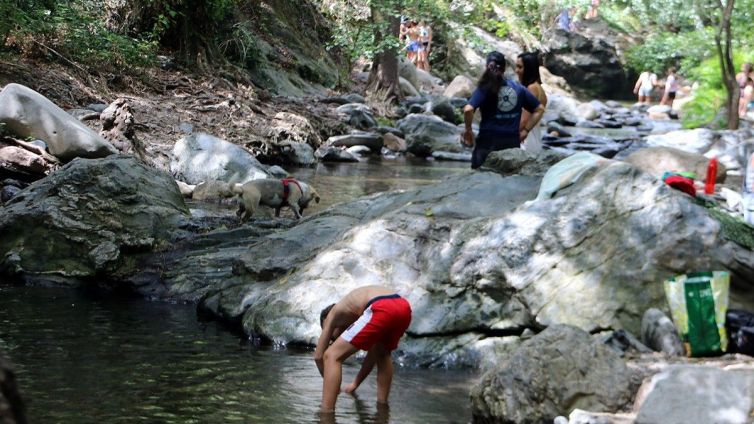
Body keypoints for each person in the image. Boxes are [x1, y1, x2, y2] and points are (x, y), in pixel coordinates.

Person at [314, 285, 412, 414]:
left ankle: (326, 415)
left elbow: (319, 356)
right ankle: (382, 412)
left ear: (326, 322)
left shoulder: (332, 315)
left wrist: (332, 385)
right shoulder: (358, 313)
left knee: (332, 356)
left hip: (380, 306)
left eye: (332, 335)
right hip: (403, 306)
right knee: (382, 354)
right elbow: (373, 355)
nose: (334, 338)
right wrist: (355, 384)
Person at [462, 51, 545, 169]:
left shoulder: (485, 88)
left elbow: (468, 109)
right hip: (511, 143)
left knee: (480, 179)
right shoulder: (518, 89)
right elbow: (539, 109)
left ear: (487, 67)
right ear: (504, 68)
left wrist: (468, 129)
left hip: (487, 143)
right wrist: (526, 131)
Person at [515, 51, 548, 153]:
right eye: (516, 66)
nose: (516, 70)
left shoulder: (532, 88)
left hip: (525, 140)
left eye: (520, 67)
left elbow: (524, 120)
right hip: (533, 137)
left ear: (529, 69)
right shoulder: (538, 87)